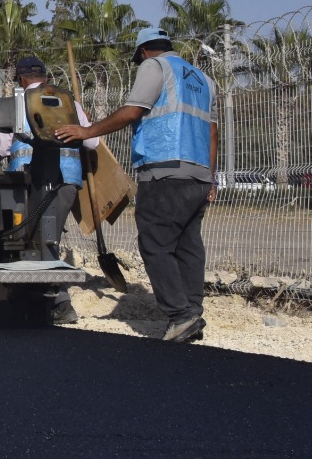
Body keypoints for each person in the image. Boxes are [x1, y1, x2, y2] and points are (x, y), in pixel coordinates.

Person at [55, 27, 217, 344]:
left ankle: (181, 316)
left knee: (155, 243)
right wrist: (210, 177)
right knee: (188, 245)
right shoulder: (204, 80)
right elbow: (212, 133)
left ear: (143, 52)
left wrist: (86, 133)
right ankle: (192, 310)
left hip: (164, 168)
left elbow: (132, 111)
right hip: (197, 174)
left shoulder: (154, 67)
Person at [0, 56, 101, 325]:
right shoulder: (68, 101)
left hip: (25, 184)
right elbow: (94, 142)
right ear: (45, 75)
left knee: (30, 242)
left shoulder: (18, 104)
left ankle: (57, 302)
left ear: (19, 79)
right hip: (66, 182)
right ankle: (32, 299)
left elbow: (1, 148)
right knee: (46, 239)